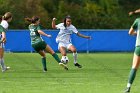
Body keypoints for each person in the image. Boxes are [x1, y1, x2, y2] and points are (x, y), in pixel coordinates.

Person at [124, 17, 140, 93]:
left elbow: (130, 32)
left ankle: (128, 87)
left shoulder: (138, 20)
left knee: (134, 67)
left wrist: (136, 34)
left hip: (139, 46)